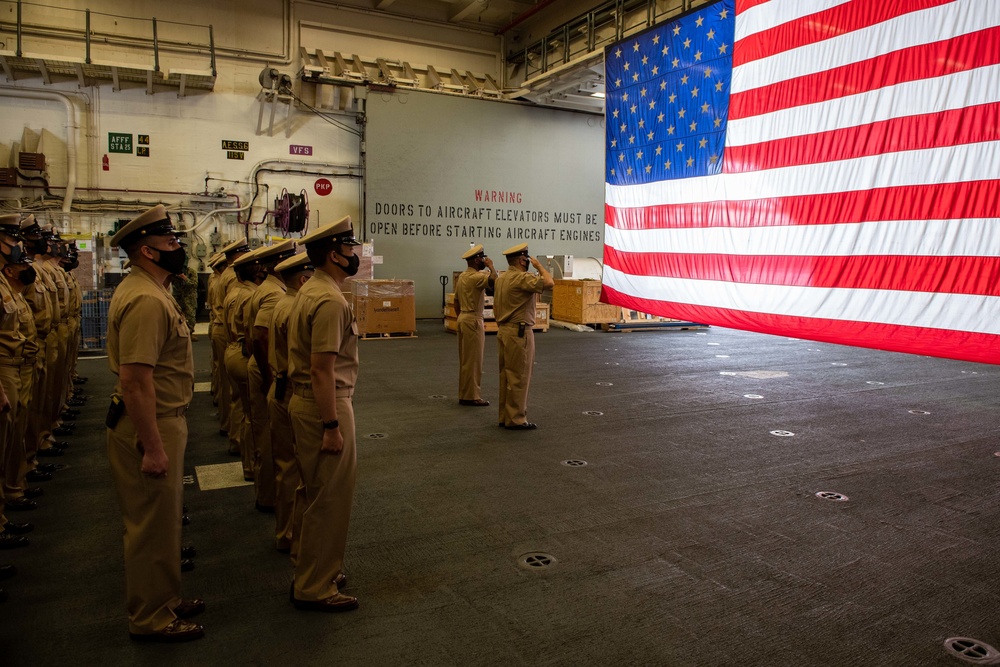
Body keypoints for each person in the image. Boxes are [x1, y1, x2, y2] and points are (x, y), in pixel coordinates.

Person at [106, 205, 204, 642]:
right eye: (170, 243)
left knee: (164, 521)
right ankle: (151, 617)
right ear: (147, 250)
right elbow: (136, 382)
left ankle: (164, 599)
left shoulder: (153, 290)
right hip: (151, 423)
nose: (178, 248)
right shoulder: (146, 298)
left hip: (162, 419)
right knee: (150, 526)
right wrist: (153, 446)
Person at [287, 216, 361, 612]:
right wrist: (332, 425)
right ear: (334, 254)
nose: (355, 257)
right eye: (350, 250)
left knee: (313, 490)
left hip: (306, 402)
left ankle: (309, 564)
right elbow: (322, 369)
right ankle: (316, 584)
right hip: (325, 405)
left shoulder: (311, 289)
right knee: (330, 496)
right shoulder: (330, 300)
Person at [243, 240, 296, 512]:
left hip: (261, 362)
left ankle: (267, 493)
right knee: (268, 435)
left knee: (262, 428)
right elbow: (260, 337)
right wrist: (267, 375)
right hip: (266, 366)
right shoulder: (275, 294)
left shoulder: (267, 289)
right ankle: (268, 496)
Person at [267, 252, 313, 555]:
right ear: (304, 278)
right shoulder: (296, 306)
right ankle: (298, 537)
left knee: (285, 467)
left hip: (278, 385)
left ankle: (285, 532)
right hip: (293, 391)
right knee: (304, 472)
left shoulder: (280, 302)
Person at [493, 243, 553, 430]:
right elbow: (549, 283)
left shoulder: (502, 278)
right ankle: (516, 418)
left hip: (504, 331)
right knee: (519, 377)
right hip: (519, 333)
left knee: (506, 376)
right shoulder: (521, 278)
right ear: (522, 260)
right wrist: (540, 266)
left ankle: (505, 416)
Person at [224, 247, 263, 480]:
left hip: (232, 348)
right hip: (243, 352)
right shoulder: (250, 296)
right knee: (252, 414)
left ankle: (238, 447)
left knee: (241, 406)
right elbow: (253, 335)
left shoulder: (235, 291)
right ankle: (250, 465)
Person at [453, 244, 496, 407]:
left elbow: (456, 301)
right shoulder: (477, 277)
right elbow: (495, 281)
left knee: (465, 360)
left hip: (463, 318)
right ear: (477, 259)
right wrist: (491, 266)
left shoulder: (463, 277)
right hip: (473, 319)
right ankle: (472, 396)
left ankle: (464, 393)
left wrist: (461, 317)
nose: (484, 260)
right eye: (482, 258)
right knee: (474, 361)